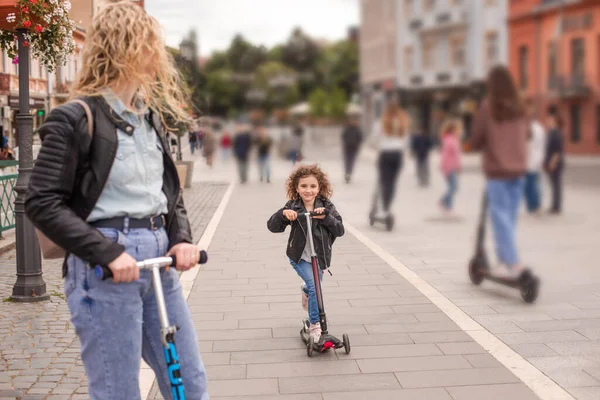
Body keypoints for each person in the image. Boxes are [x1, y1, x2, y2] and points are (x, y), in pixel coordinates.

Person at [24, 2, 208, 399]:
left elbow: (168, 194)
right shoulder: (75, 118)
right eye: (150, 45)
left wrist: (181, 238)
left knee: (189, 383)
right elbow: (41, 201)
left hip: (159, 263)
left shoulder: (148, 118)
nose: (158, 56)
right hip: (106, 269)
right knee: (117, 390)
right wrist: (105, 252)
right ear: (128, 47)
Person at [267, 164, 345, 341]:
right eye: (303, 186)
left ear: (319, 188)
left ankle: (306, 290)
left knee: (314, 288)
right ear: (296, 188)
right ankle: (315, 325)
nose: (308, 190)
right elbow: (273, 227)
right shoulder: (293, 206)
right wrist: (283, 214)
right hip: (300, 257)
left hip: (320, 258)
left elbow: (340, 230)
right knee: (315, 287)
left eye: (312, 186)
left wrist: (326, 218)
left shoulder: (326, 206)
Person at [471, 65, 529, 279]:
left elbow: (476, 138)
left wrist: (478, 144)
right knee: (509, 219)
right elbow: (528, 133)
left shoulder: (489, 107)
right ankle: (506, 259)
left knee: (500, 218)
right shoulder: (520, 106)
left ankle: (511, 263)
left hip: (498, 171)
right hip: (519, 170)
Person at [370, 96, 410, 219]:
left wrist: (377, 145)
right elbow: (406, 141)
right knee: (392, 183)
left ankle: (380, 208)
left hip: (385, 153)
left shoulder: (382, 121)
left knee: (383, 181)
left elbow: (374, 139)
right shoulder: (403, 121)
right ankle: (387, 207)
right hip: (397, 154)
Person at [524, 101, 546, 215]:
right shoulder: (539, 128)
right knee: (531, 184)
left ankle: (535, 205)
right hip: (534, 160)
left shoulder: (533, 128)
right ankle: (532, 206)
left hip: (531, 160)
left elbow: (529, 145)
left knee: (531, 184)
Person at [544, 108, 565, 214]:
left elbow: (557, 151)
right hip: (552, 162)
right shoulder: (552, 132)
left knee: (556, 185)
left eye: (551, 119)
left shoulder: (557, 133)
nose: (549, 120)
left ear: (555, 121)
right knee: (554, 185)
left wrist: (552, 163)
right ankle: (555, 206)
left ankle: (556, 207)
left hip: (555, 163)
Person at [439, 120, 462, 213]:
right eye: (458, 130)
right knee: (454, 186)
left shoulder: (449, 139)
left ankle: (449, 206)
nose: (460, 131)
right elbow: (454, 155)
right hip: (450, 167)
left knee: (452, 186)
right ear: (453, 130)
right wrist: (458, 166)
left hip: (449, 166)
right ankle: (443, 200)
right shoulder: (451, 140)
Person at [341, 114, 363, 183]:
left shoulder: (356, 129)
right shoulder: (349, 128)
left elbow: (360, 138)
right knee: (348, 161)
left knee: (350, 161)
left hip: (353, 147)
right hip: (348, 147)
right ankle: (347, 173)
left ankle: (348, 173)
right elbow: (343, 137)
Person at [232, 118, 253, 183]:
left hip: (245, 153)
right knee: (240, 166)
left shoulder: (246, 135)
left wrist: (248, 150)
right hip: (239, 153)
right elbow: (234, 145)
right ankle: (242, 178)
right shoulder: (237, 136)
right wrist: (235, 152)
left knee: (245, 166)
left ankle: (244, 177)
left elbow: (250, 144)